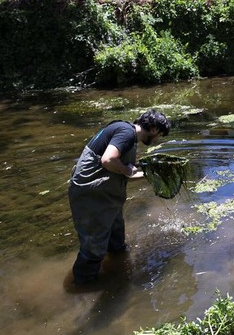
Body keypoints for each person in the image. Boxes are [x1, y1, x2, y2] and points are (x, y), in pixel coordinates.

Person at [68, 109, 171, 284]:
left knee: (117, 243)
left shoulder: (128, 136)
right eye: (159, 135)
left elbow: (121, 174)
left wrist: (151, 174)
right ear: (153, 129)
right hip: (91, 197)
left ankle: (118, 272)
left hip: (106, 196)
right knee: (93, 249)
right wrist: (126, 169)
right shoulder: (126, 133)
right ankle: (82, 288)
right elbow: (108, 160)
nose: (157, 140)